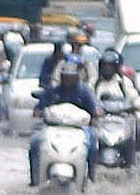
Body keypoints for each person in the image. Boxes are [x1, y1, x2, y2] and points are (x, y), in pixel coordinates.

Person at [29, 58, 100, 186]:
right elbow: (39, 108)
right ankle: (35, 179)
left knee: (93, 142)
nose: (67, 80)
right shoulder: (53, 91)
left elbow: (95, 110)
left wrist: (95, 117)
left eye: (70, 77)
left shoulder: (84, 92)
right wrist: (39, 112)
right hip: (54, 128)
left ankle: (91, 177)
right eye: (65, 77)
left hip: (80, 129)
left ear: (77, 77)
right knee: (35, 141)